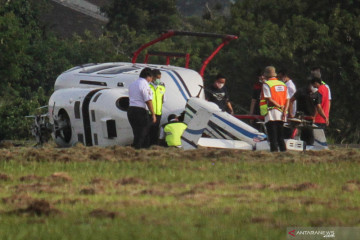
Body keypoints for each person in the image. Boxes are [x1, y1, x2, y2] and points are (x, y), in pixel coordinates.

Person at [260, 66, 289, 152]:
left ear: (266, 75)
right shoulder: (283, 84)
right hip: (282, 113)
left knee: (272, 136)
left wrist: (278, 106)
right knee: (280, 135)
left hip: (271, 112)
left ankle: (274, 153)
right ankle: (284, 152)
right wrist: (284, 110)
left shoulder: (267, 84)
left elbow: (269, 99)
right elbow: (287, 99)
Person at [288, 81, 328, 145]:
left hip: (309, 119)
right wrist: (290, 113)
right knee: (295, 134)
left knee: (309, 137)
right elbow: (291, 101)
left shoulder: (317, 94)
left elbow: (318, 107)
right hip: (299, 117)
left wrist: (324, 117)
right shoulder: (301, 91)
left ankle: (308, 147)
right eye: (314, 86)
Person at [127, 67, 156, 149]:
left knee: (136, 133)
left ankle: (135, 149)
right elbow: (148, 100)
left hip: (131, 109)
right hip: (140, 110)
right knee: (143, 133)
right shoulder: (145, 84)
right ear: (148, 77)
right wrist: (153, 114)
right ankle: (139, 150)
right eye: (151, 78)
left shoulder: (133, 84)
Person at [147, 69, 166, 146]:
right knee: (148, 131)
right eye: (157, 78)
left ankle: (154, 146)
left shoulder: (162, 87)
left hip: (158, 112)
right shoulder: (148, 86)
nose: (158, 80)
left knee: (155, 131)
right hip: (149, 112)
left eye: (159, 78)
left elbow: (164, 99)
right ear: (152, 77)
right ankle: (146, 146)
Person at [277, 69, 297, 138]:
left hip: (289, 113)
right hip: (286, 112)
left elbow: (290, 101)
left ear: (284, 76)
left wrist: (290, 114)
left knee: (287, 132)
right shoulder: (285, 85)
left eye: (280, 77)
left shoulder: (289, 86)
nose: (279, 79)